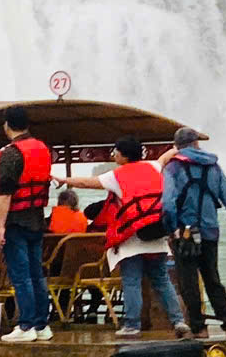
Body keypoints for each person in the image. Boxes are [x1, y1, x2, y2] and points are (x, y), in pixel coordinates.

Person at [61, 136, 190, 339]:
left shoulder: (116, 175)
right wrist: (177, 147)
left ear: (123, 155)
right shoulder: (153, 167)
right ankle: (178, 321)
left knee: (131, 282)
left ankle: (132, 325)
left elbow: (86, 182)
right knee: (162, 281)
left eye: (116, 151)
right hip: (156, 235)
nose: (114, 154)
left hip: (131, 240)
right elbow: (164, 158)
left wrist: (63, 180)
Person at [159, 127, 226, 337]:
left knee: (188, 282)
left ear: (176, 146)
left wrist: (171, 229)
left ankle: (199, 328)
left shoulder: (173, 168)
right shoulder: (213, 167)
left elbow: (168, 204)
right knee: (212, 279)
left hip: (185, 234)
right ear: (196, 144)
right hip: (210, 232)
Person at [0, 107, 56, 342]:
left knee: (21, 276)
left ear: (6, 125)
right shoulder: (42, 149)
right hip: (36, 220)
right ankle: (41, 325)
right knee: (37, 274)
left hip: (16, 222)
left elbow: (5, 193)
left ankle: (26, 325)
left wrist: (0, 227)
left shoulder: (11, 153)